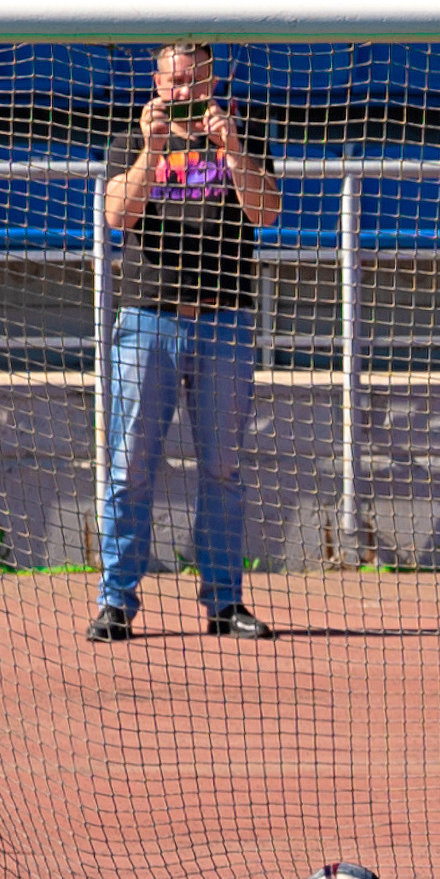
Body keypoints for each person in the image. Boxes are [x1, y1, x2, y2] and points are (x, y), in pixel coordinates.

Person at [90, 40, 284, 643]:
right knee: (129, 467)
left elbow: (268, 213)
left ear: (213, 82)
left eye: (195, 81)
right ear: (157, 81)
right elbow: (115, 215)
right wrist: (151, 152)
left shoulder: (241, 137)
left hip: (224, 320)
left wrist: (233, 154)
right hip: (149, 320)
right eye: (175, 81)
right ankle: (116, 602)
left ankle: (224, 603)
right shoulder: (132, 139)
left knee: (223, 470)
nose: (185, 92)